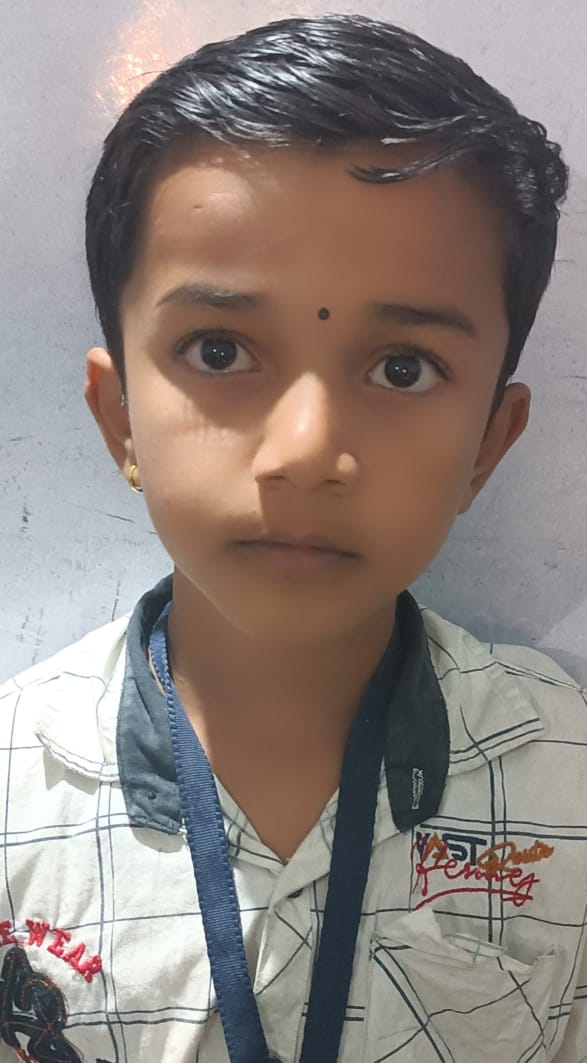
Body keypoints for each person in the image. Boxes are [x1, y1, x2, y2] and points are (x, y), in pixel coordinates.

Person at [0, 12, 585, 1062]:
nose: (306, 452)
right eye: (220, 350)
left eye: (401, 368)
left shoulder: (570, 774)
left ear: (486, 447)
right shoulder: (11, 790)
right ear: (119, 418)